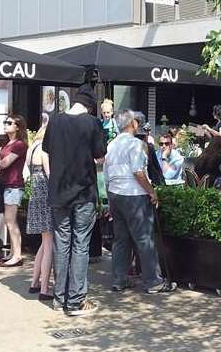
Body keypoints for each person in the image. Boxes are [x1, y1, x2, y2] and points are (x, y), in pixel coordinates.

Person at [42, 86, 108, 315]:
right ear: (90, 106)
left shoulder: (55, 121)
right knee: (80, 245)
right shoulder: (92, 123)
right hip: (84, 192)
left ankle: (59, 298)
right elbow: (100, 156)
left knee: (62, 244)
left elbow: (47, 152)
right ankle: (76, 300)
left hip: (58, 192)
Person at [105, 109, 176, 294]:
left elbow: (106, 175)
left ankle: (119, 279)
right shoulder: (135, 144)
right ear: (133, 124)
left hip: (115, 194)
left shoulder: (111, 145)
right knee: (144, 238)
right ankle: (152, 281)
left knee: (121, 239)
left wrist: (109, 199)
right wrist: (151, 192)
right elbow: (138, 172)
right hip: (134, 195)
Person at [0, 114, 28, 267]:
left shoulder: (19, 144)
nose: (5, 125)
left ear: (17, 127)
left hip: (14, 185)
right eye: (5, 122)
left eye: (9, 123)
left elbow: (5, 164)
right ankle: (14, 253)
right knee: (10, 221)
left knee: (10, 220)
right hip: (7, 184)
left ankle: (17, 254)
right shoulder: (7, 143)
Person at [25, 123, 53, 301]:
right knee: (49, 244)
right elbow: (50, 174)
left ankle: (34, 282)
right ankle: (44, 288)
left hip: (36, 196)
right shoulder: (44, 149)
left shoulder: (32, 148)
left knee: (44, 243)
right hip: (46, 197)